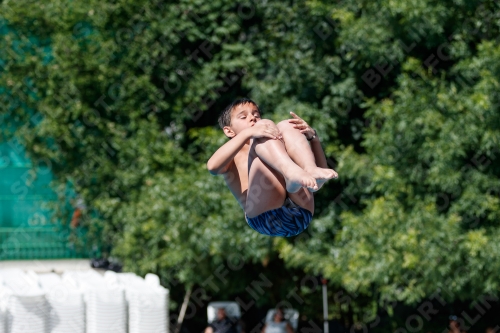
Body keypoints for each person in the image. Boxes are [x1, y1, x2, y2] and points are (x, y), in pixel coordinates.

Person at [207, 98, 338, 237]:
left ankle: (304, 171)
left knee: (288, 124)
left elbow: (320, 178)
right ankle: (290, 173)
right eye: (243, 117)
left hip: (301, 213)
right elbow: (213, 167)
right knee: (265, 127)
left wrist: (313, 138)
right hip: (265, 217)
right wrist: (249, 133)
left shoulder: (275, 145)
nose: (253, 118)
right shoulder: (233, 155)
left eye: (256, 114)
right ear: (229, 131)